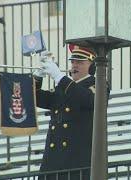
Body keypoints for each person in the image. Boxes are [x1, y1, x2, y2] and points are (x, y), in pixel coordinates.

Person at [34, 44, 97, 180]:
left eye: (80, 62)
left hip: (75, 164)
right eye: (73, 61)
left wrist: (59, 76)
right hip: (52, 164)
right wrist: (38, 76)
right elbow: (35, 98)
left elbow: (88, 99)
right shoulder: (63, 88)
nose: (75, 65)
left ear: (92, 66)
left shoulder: (97, 84)